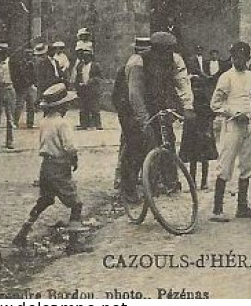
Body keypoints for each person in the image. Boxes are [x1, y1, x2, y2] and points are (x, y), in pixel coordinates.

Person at [11, 82, 87, 254]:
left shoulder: (44, 122)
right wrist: (75, 159)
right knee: (76, 204)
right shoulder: (62, 123)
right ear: (62, 106)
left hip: (45, 166)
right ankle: (73, 244)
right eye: (67, 104)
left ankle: (22, 232)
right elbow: (69, 146)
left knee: (44, 200)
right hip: (59, 167)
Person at [121, 31, 194, 201]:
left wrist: (188, 107)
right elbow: (135, 95)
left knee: (166, 137)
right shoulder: (137, 63)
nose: (167, 55)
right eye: (163, 51)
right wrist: (144, 121)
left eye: (170, 50)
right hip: (129, 104)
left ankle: (166, 180)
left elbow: (182, 82)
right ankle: (129, 188)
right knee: (136, 143)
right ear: (154, 50)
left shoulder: (175, 59)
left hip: (156, 100)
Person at [209, 41, 251, 222]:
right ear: (231, 58)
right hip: (232, 125)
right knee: (225, 164)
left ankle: (242, 207)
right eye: (235, 57)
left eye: (242, 57)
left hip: (248, 124)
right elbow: (215, 104)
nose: (238, 60)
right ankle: (217, 210)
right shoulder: (226, 77)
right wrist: (233, 113)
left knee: (248, 165)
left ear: (248, 59)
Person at [112, 36, 150, 190]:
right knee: (129, 147)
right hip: (128, 114)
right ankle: (122, 179)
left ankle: (133, 179)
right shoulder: (129, 68)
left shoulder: (143, 67)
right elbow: (119, 95)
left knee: (131, 145)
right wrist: (126, 113)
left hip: (133, 114)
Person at [180, 67, 218, 191]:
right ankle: (193, 182)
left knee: (204, 158)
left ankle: (203, 182)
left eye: (198, 86)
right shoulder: (189, 100)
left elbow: (211, 114)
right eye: (194, 87)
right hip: (192, 132)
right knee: (193, 159)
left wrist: (208, 129)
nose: (196, 89)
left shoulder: (204, 99)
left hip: (202, 131)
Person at [72, 42, 103, 130]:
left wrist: (92, 81)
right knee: (83, 108)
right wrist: (77, 86)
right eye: (84, 57)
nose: (85, 59)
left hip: (92, 89)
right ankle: (84, 124)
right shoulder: (80, 66)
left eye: (87, 57)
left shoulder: (95, 66)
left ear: (90, 57)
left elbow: (100, 77)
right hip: (83, 90)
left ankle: (97, 124)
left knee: (94, 107)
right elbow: (77, 77)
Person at [11, 48, 37, 130]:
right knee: (19, 105)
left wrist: (33, 82)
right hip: (22, 87)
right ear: (25, 55)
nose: (30, 56)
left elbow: (34, 75)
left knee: (31, 105)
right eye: (28, 54)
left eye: (31, 54)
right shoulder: (21, 64)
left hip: (29, 86)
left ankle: (30, 123)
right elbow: (18, 75)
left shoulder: (32, 64)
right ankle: (15, 122)